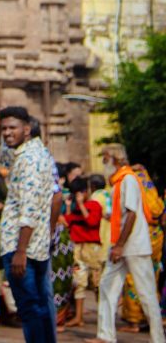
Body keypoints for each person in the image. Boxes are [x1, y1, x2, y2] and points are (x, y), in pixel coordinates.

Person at [0, 106, 56, 343]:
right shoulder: (27, 153)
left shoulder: (30, 160)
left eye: (12, 128)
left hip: (22, 248)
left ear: (26, 129)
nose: (7, 133)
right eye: (4, 128)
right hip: (33, 246)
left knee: (29, 309)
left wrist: (20, 251)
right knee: (39, 306)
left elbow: (29, 209)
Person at [85, 145, 165, 343]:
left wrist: (119, 246)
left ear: (115, 159)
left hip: (133, 246)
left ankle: (158, 338)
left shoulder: (128, 179)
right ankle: (105, 335)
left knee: (146, 293)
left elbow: (131, 214)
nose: (103, 162)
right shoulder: (119, 182)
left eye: (105, 158)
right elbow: (124, 215)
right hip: (121, 245)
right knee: (106, 286)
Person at [64, 175, 103, 328]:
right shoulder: (76, 208)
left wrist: (81, 205)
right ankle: (78, 317)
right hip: (78, 249)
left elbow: (92, 222)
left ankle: (103, 318)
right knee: (79, 284)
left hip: (92, 249)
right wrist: (69, 206)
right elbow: (67, 221)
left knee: (98, 283)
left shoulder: (94, 205)